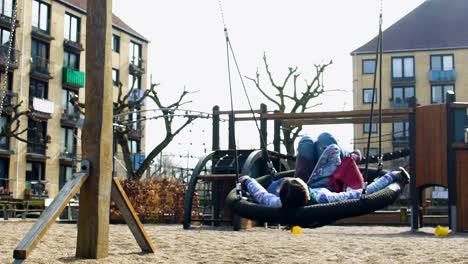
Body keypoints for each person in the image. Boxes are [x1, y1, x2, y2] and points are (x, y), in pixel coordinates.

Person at [239, 167, 409, 209]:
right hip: (324, 187)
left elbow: (261, 195)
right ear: (307, 196)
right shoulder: (324, 200)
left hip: (288, 189)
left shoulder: (279, 203)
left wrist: (247, 180)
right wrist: (391, 176)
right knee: (331, 148)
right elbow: (364, 193)